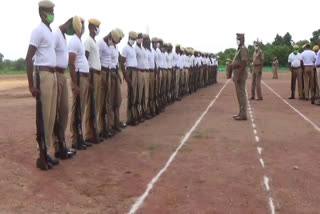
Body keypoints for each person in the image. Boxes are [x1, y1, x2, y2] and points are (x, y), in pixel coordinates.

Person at [26, 0, 58, 169]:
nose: (52, 13)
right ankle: (41, 155)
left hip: (52, 76)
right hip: (43, 75)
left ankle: (47, 152)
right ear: (42, 13)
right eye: (50, 10)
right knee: (43, 117)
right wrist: (31, 85)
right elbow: (28, 58)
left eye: (53, 10)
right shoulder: (38, 31)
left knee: (51, 116)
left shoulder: (49, 31)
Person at [53, 17, 80, 159]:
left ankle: (62, 143)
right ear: (69, 24)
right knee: (55, 112)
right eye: (72, 29)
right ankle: (57, 146)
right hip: (55, 75)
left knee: (64, 111)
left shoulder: (64, 37)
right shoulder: (56, 34)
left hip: (63, 75)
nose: (72, 33)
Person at [68, 17, 92, 150]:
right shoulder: (73, 41)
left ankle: (79, 137)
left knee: (81, 108)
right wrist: (75, 83)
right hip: (78, 77)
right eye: (82, 24)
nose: (83, 27)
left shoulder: (79, 41)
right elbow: (71, 63)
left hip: (83, 77)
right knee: (76, 108)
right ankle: (75, 139)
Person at [84, 18, 103, 144]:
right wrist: (88, 80)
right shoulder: (88, 42)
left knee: (95, 104)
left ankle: (93, 131)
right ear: (91, 27)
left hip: (97, 74)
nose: (98, 29)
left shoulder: (94, 41)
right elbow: (85, 59)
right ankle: (88, 134)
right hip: (91, 74)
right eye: (97, 26)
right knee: (90, 105)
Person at [121, 31, 139, 126]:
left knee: (134, 94)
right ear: (129, 38)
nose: (134, 41)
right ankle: (129, 118)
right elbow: (122, 62)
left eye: (134, 39)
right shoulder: (125, 48)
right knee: (131, 94)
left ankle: (133, 116)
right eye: (132, 39)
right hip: (130, 71)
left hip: (135, 71)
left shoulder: (132, 48)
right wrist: (126, 76)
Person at [232, 33, 249, 121]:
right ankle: (241, 112)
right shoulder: (239, 49)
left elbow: (244, 63)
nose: (237, 40)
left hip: (240, 73)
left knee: (241, 94)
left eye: (238, 38)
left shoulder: (243, 49)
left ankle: (243, 114)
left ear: (242, 39)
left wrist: (238, 75)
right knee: (239, 94)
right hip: (237, 72)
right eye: (237, 38)